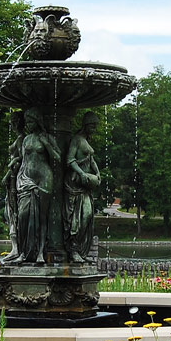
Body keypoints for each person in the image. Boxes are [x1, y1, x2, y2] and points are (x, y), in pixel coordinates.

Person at [14, 108, 60, 264]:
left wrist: (47, 144)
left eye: (31, 121)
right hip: (26, 179)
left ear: (38, 121)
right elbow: (23, 159)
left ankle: (40, 252)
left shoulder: (47, 137)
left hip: (44, 178)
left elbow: (57, 158)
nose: (28, 124)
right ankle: (23, 252)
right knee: (22, 216)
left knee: (41, 217)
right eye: (27, 122)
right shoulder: (26, 139)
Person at [64, 112, 101, 263]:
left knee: (87, 215)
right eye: (92, 125)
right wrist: (82, 174)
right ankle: (72, 249)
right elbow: (70, 160)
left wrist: (97, 172)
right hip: (75, 184)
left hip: (85, 186)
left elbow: (90, 159)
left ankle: (79, 249)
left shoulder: (86, 140)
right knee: (79, 217)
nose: (94, 128)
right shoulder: (77, 140)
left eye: (95, 126)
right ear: (85, 125)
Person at [0, 111, 25, 265]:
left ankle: (17, 248)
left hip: (17, 178)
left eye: (15, 122)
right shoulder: (20, 139)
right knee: (10, 212)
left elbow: (23, 157)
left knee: (13, 212)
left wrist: (8, 171)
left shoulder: (22, 139)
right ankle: (16, 248)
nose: (13, 125)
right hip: (14, 178)